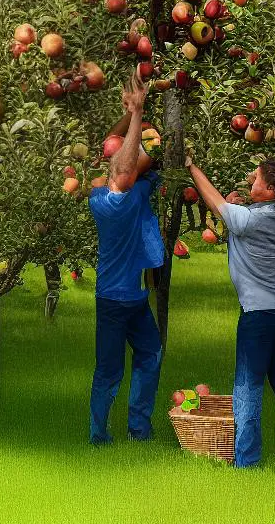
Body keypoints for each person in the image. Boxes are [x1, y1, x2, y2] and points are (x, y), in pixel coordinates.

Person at [186, 153, 275, 468]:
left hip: (258, 315)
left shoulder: (253, 219)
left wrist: (192, 167)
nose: (254, 178)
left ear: (271, 191)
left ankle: (247, 460)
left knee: (248, 385)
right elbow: (237, 219)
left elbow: (215, 204)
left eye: (259, 178)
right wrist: (235, 206)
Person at [87, 74, 164, 444]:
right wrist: (138, 115)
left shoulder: (99, 198)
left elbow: (115, 153)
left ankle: (124, 430)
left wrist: (129, 116)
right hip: (120, 300)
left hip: (124, 297)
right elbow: (132, 161)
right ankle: (116, 431)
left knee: (138, 357)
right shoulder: (129, 199)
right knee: (115, 368)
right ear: (128, 174)